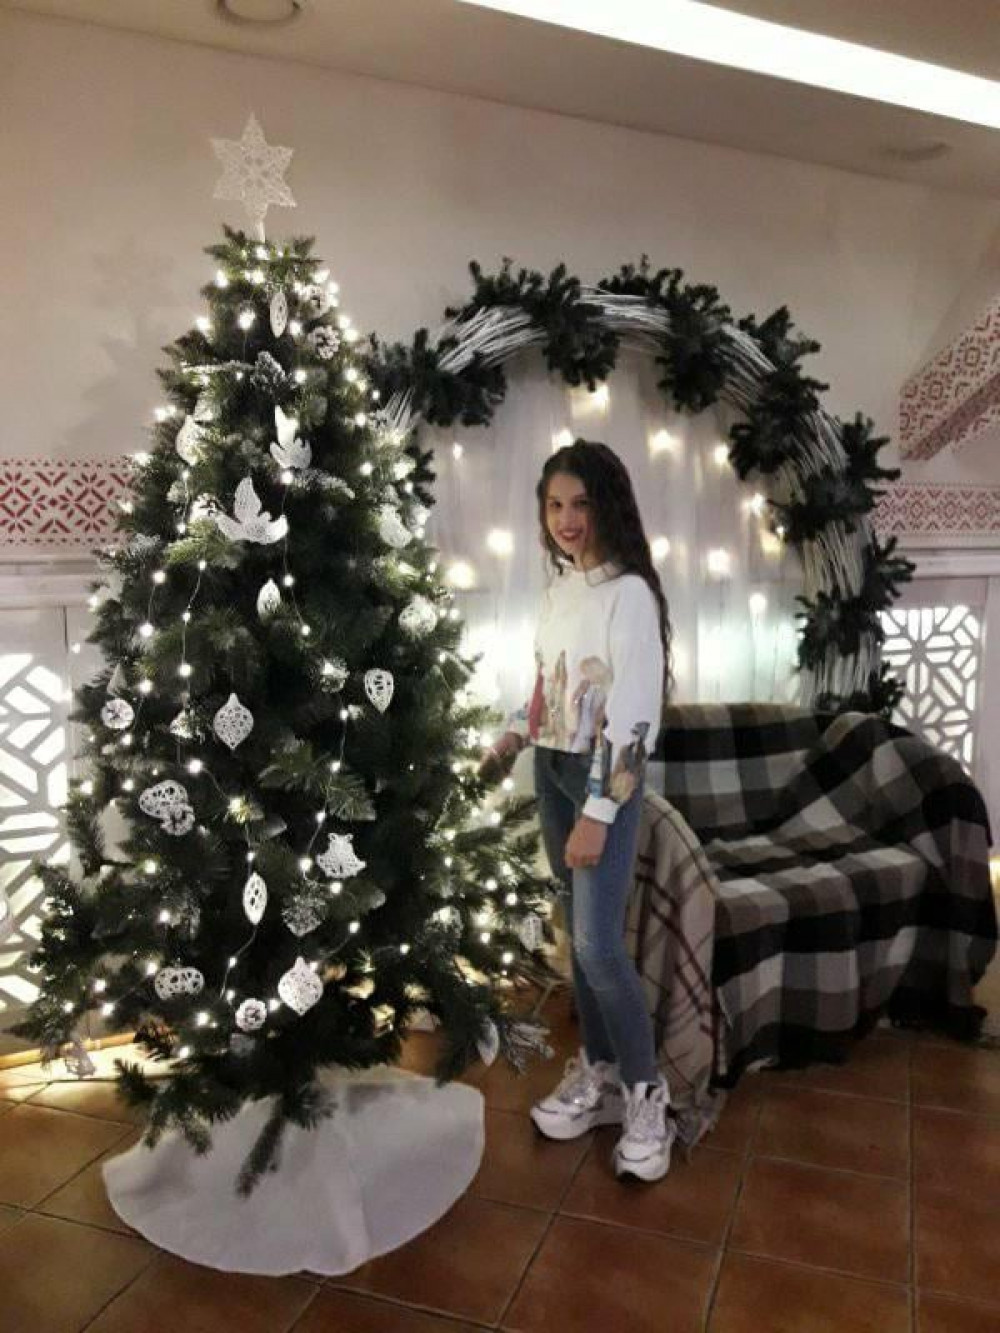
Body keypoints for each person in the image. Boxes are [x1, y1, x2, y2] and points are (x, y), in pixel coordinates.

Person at [479, 438, 674, 1182]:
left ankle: (646, 1094)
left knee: (597, 946)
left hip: (602, 783)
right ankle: (599, 1071)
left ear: (608, 506)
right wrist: (512, 733)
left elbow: (634, 715)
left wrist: (599, 811)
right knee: (574, 936)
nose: (566, 518)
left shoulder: (630, 595)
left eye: (581, 503)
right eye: (555, 504)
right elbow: (546, 683)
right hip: (551, 769)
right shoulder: (559, 589)